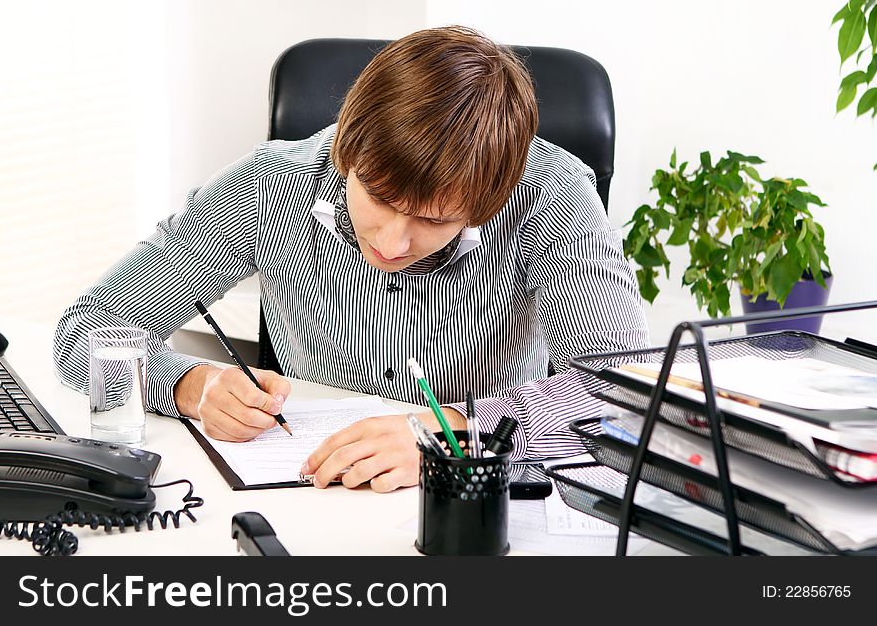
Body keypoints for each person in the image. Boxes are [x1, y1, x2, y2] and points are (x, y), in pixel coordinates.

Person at [54, 26, 649, 492]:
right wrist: (188, 383)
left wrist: (461, 439)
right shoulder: (271, 185)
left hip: (474, 499)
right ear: (346, 150)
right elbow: (86, 333)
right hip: (302, 492)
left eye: (435, 219)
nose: (392, 244)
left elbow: (625, 396)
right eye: (380, 199)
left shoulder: (549, 191)